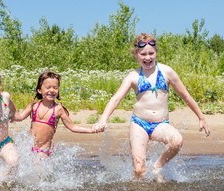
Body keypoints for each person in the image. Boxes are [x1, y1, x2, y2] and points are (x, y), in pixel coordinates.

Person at [92, 33, 211, 182]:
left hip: (160, 124)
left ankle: (157, 167)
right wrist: (103, 119)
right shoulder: (133, 76)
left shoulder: (167, 72)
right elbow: (115, 99)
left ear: (156, 53)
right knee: (139, 170)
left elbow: (186, 96)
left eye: (151, 53)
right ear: (136, 54)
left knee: (176, 141)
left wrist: (201, 117)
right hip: (139, 124)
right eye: (143, 54)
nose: (147, 58)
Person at [15, 71, 101, 158]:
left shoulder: (58, 109)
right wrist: (8, 112)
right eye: (48, 87)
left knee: (38, 165)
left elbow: (72, 127)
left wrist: (92, 130)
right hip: (28, 148)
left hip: (43, 150)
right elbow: (20, 117)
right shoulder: (33, 106)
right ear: (39, 90)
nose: (52, 90)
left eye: (55, 88)